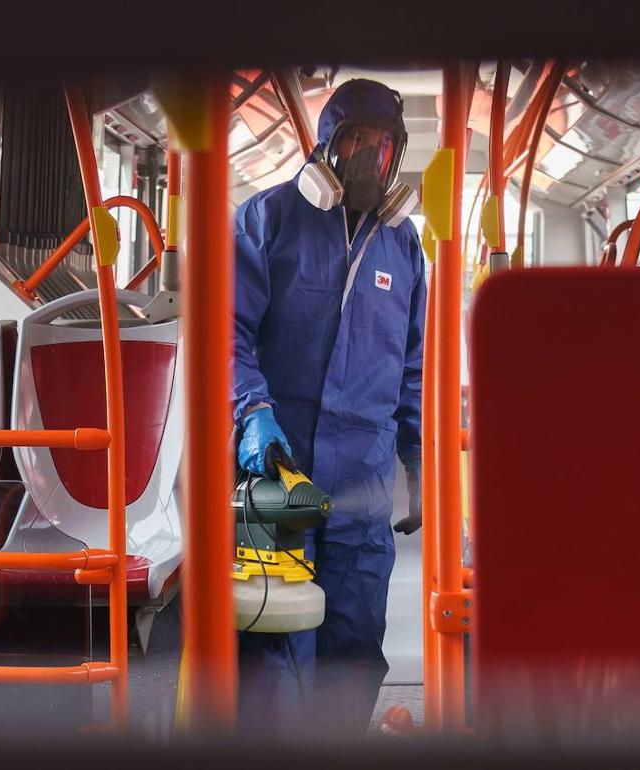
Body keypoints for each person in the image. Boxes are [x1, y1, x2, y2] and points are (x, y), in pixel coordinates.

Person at [232, 78, 426, 735]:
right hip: (279, 473)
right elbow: (226, 333)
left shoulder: (404, 249)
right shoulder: (268, 220)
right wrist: (251, 409)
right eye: (357, 140)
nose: (373, 157)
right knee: (274, 637)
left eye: (385, 145)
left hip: (363, 487)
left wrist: (420, 455)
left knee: (353, 635)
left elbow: (413, 367)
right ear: (326, 147)